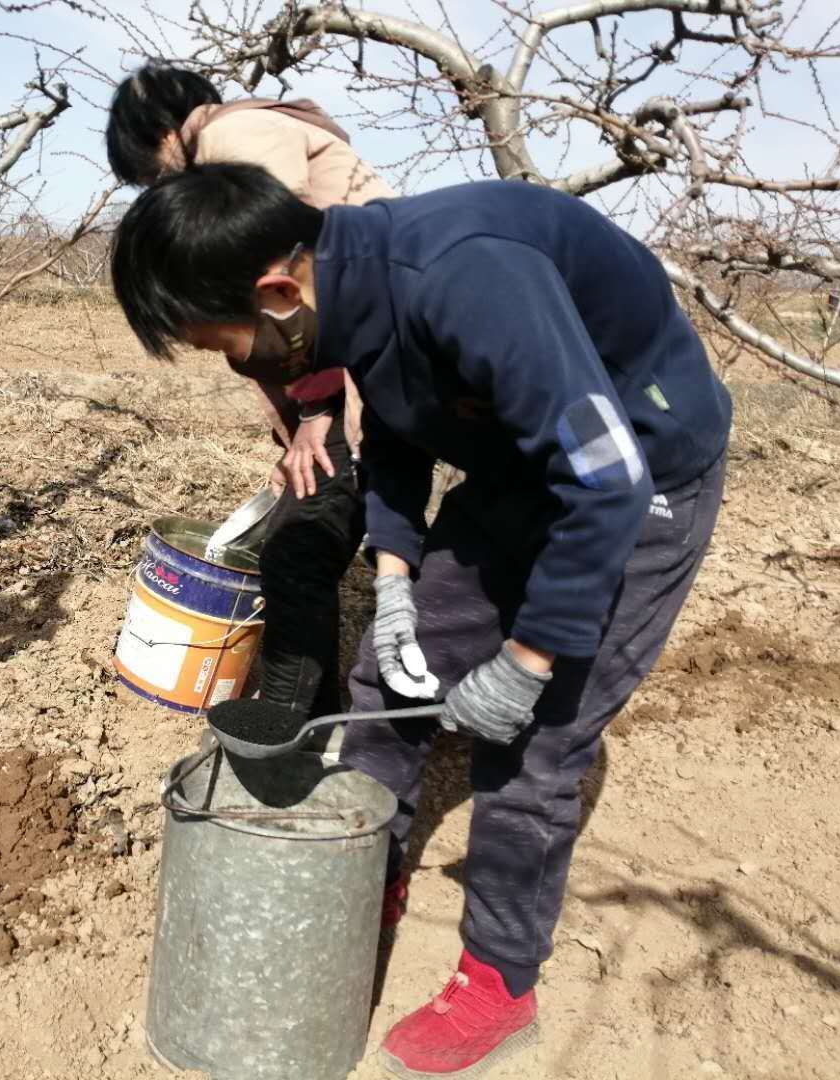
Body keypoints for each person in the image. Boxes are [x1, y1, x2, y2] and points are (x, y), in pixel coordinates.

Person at [109, 163, 730, 1079]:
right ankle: (368, 875)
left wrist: (524, 661)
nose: (241, 365)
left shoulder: (468, 277)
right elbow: (397, 430)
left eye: (227, 344)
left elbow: (605, 481)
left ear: (278, 294)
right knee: (387, 688)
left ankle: (498, 979)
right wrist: (396, 580)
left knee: (533, 749)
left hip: (642, 480)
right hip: (522, 466)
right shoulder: (351, 288)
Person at [107, 64, 395, 718]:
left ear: (164, 135)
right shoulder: (268, 130)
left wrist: (317, 411)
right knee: (328, 537)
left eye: (153, 173)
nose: (163, 190)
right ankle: (317, 710)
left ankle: (290, 733)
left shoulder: (235, 138)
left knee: (298, 556)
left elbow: (291, 275)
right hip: (353, 380)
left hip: (352, 383)